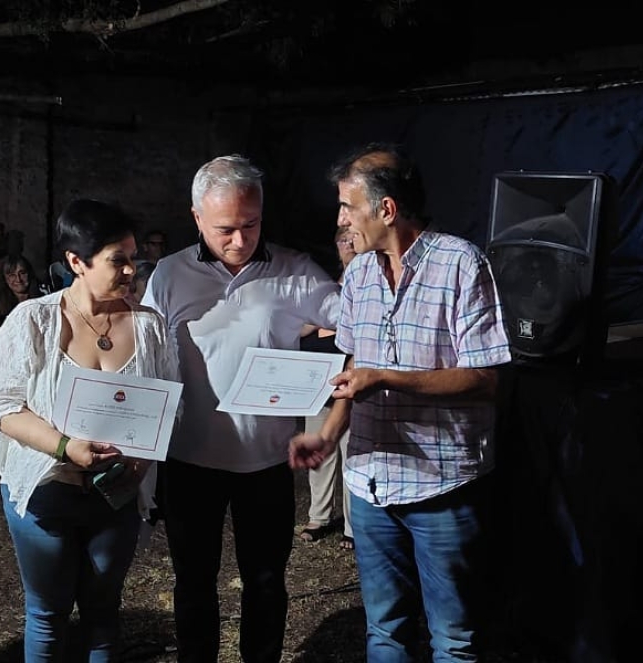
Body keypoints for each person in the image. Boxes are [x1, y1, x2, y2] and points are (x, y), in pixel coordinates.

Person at [288, 143, 512, 662]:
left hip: (442, 486)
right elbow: (353, 370)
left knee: (454, 637)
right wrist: (326, 434)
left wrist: (388, 379)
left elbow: (485, 378)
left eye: (349, 206)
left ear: (386, 209)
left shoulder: (461, 264)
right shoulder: (360, 274)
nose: (341, 219)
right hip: (370, 486)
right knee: (385, 630)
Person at [141, 154, 340, 663]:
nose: (238, 240)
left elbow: (354, 321)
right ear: (196, 218)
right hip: (189, 459)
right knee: (193, 583)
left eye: (250, 225)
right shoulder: (169, 274)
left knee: (267, 582)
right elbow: (145, 351)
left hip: (268, 460)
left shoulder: (295, 271)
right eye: (224, 229)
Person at [0, 198, 178, 662]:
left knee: (104, 612)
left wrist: (141, 459)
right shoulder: (34, 320)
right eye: (118, 260)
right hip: (47, 494)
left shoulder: (150, 327)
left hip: (117, 495)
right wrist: (67, 447)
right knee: (48, 615)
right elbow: (0, 404)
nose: (131, 272)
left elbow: (168, 403)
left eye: (133, 259)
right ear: (75, 262)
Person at [297, 225, 357, 550]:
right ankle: (319, 516)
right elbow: (304, 324)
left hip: (351, 379)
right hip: (318, 379)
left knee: (350, 452)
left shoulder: (369, 285)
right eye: (342, 240)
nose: (347, 245)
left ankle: (352, 524)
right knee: (318, 450)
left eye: (352, 238)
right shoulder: (327, 287)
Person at [0, 253, 42, 321]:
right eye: (12, 275)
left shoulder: (44, 297)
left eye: (22, 273)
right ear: (4, 279)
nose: (18, 279)